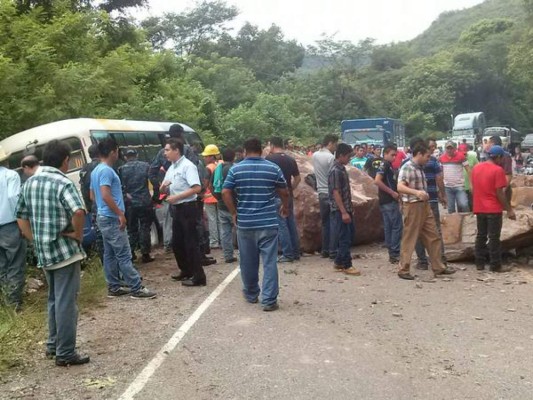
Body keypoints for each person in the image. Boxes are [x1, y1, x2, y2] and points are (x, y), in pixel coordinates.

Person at [16, 140, 89, 366]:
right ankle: (65, 352)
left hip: (44, 253)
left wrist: (35, 240)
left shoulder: (29, 182)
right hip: (65, 252)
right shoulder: (62, 182)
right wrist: (77, 234)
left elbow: (21, 217)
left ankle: (53, 345)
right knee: (66, 302)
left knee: (54, 299)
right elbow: (78, 211)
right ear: (66, 160)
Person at [222, 138, 289, 312]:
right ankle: (268, 300)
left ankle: (251, 294)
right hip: (268, 222)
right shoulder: (273, 168)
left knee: (248, 261)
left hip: (245, 223)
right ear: (261, 151)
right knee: (269, 262)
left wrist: (233, 212)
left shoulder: (236, 169)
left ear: (244, 151)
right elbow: (284, 191)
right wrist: (285, 206)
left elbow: (225, 191)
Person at [90, 138, 156, 299]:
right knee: (124, 254)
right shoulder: (106, 170)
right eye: (117, 151)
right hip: (112, 218)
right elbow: (105, 194)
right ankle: (136, 287)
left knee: (110, 254)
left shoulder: (95, 170)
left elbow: (92, 195)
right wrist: (119, 213)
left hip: (103, 216)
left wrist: (104, 208)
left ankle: (114, 286)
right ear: (113, 151)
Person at [397, 143, 456, 280]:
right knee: (410, 237)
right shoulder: (407, 167)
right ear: (419, 154)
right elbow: (400, 186)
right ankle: (403, 269)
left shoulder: (420, 168)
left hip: (424, 205)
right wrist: (416, 192)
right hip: (412, 205)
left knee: (433, 236)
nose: (429, 159)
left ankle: (438, 267)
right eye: (427, 156)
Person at [161, 138, 207, 286]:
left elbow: (196, 188)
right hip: (177, 208)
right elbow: (164, 187)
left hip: (188, 207)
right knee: (177, 242)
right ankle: (186, 270)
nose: (165, 153)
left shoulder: (188, 166)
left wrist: (177, 197)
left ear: (176, 150)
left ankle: (198, 276)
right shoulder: (172, 167)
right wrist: (163, 187)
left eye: (167, 150)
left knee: (190, 242)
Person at [149, 124, 198, 252]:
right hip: (181, 198)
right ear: (181, 134)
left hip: (177, 197)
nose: (166, 153)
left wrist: (159, 185)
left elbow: (152, 171)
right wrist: (162, 187)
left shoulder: (163, 154)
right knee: (190, 233)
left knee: (168, 221)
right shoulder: (186, 151)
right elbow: (197, 169)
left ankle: (168, 244)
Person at [471, 145, 516, 272]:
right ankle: (495, 265)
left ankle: (479, 263)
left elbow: (473, 189)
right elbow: (500, 193)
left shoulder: (476, 168)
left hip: (479, 208)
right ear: (499, 157)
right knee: (494, 237)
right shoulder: (498, 170)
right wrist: (509, 209)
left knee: (481, 236)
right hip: (493, 209)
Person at [414, 139, 448, 270]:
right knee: (435, 231)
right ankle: (440, 260)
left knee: (418, 231)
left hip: (418, 201)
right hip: (430, 199)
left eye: (434, 146)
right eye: (431, 147)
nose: (433, 149)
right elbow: (439, 178)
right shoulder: (433, 161)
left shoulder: (408, 163)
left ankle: (422, 261)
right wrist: (443, 195)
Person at [266, 136, 301, 263]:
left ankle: (287, 253)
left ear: (272, 145)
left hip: (276, 195)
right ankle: (296, 252)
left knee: (281, 224)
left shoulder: (269, 159)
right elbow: (298, 178)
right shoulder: (290, 159)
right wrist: (290, 189)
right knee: (291, 222)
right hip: (288, 195)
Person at [0, 146, 26, 310]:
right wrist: (22, 223)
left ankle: (4, 300)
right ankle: (14, 301)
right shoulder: (10, 175)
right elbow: (13, 197)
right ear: (6, 159)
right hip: (9, 225)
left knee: (1, 265)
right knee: (15, 262)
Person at [329, 143, 361, 276]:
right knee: (345, 237)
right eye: (348, 156)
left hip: (346, 208)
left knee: (349, 234)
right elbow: (336, 192)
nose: (349, 159)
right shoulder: (335, 171)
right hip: (340, 210)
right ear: (341, 155)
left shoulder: (341, 169)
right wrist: (343, 212)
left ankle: (338, 261)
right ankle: (347, 264)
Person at [118, 149, 155, 263]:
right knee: (145, 227)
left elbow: (119, 187)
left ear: (125, 157)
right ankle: (145, 254)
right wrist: (156, 197)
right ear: (137, 155)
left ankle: (131, 254)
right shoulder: (145, 166)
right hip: (144, 201)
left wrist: (125, 196)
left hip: (129, 203)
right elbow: (154, 181)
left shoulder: (121, 170)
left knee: (131, 228)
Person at [374, 144, 402, 264]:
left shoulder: (388, 165)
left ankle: (392, 252)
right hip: (388, 200)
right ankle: (394, 252)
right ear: (385, 154)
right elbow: (377, 181)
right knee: (397, 226)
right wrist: (392, 193)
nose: (394, 157)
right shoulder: (384, 165)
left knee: (389, 227)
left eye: (395, 155)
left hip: (385, 200)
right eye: (392, 155)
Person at [312, 134, 338, 259]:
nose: (336, 147)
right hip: (330, 192)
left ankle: (325, 250)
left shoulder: (315, 155)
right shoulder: (331, 157)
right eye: (335, 144)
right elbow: (333, 176)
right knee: (333, 222)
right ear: (330, 143)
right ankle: (333, 251)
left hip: (321, 192)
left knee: (325, 223)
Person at [212, 148, 237, 263]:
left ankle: (228, 255)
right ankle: (244, 253)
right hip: (233, 204)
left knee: (225, 231)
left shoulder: (218, 169)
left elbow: (211, 185)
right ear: (234, 157)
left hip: (221, 204)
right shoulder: (233, 169)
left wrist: (218, 198)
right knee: (239, 229)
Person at [79, 144, 103, 261]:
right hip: (105, 207)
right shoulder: (102, 167)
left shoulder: (84, 169)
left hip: (93, 207)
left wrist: (88, 207)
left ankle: (104, 262)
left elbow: (84, 190)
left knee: (99, 237)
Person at [439, 141, 470, 213]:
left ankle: (467, 220)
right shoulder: (441, 158)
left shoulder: (461, 157)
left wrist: (470, 183)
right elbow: (440, 172)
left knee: (464, 204)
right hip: (447, 187)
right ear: (445, 149)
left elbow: (468, 170)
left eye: (451, 148)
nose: (449, 150)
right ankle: (453, 223)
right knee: (451, 208)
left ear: (455, 149)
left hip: (459, 185)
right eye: (448, 148)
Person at [201, 144, 222, 250]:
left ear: (212, 156)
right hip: (218, 196)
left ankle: (214, 242)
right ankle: (222, 240)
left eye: (206, 156)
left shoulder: (208, 168)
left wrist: (201, 193)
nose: (204, 158)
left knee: (212, 219)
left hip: (209, 197)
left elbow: (205, 183)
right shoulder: (218, 166)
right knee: (219, 219)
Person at [463, 144, 479, 211]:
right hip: (461, 185)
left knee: (471, 202)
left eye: (464, 151)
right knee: (462, 204)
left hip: (471, 184)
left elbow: (478, 168)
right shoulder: (457, 157)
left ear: (467, 150)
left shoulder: (472, 157)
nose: (463, 154)